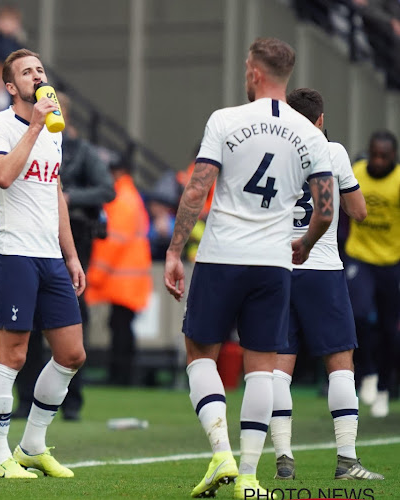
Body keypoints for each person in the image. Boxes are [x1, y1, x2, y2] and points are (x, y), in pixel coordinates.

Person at [163, 38, 334, 499]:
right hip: (274, 263)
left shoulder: (226, 120)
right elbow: (326, 209)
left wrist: (175, 249)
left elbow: (198, 189)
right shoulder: (311, 135)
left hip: (222, 256)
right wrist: (305, 243)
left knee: (201, 354)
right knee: (262, 368)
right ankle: (250, 479)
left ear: (255, 73)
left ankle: (220, 453)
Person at [0, 48, 86, 479]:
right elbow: (3, 175)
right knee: (13, 355)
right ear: (11, 86)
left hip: (50, 257)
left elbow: (53, 192)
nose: (37, 76)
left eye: (40, 69)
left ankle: (33, 444)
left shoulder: (53, 130)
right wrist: (37, 124)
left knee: (72, 353)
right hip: (14, 253)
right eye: (27, 72)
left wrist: (72, 254)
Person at [269, 88, 383, 481]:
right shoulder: (331, 151)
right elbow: (359, 211)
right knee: (340, 364)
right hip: (321, 268)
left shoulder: (273, 153)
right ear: (320, 119)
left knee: (279, 368)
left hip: (279, 270)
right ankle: (347, 459)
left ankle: (283, 458)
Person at [12, 93, 114, 421]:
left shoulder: (81, 151)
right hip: (30, 241)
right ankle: (26, 400)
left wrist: (68, 197)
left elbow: (107, 189)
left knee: (69, 326)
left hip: (73, 242)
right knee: (25, 327)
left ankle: (71, 403)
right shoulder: (23, 142)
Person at [344, 130, 400, 418]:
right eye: (374, 154)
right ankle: (365, 373)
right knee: (358, 315)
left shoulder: (398, 181)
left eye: (384, 156)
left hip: (391, 262)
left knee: (390, 330)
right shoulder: (356, 173)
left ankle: (383, 388)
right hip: (360, 257)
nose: (377, 161)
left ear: (394, 157)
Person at [85, 158, 152, 386]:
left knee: (121, 327)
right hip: (128, 278)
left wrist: (94, 275)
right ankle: (121, 374)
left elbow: (113, 241)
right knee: (120, 326)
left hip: (124, 278)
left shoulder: (123, 200)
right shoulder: (130, 197)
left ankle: (121, 376)